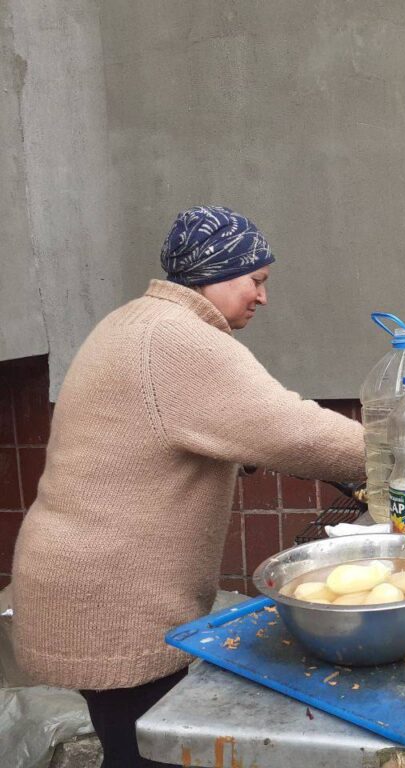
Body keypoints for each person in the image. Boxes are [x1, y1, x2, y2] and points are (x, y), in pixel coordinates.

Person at [12, 206, 366, 767]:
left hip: (84, 579)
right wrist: (403, 452)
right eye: (256, 280)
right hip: (113, 598)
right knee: (147, 754)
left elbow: (160, 433)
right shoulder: (176, 339)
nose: (263, 297)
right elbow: (292, 427)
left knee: (131, 746)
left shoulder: (137, 321)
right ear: (216, 271)